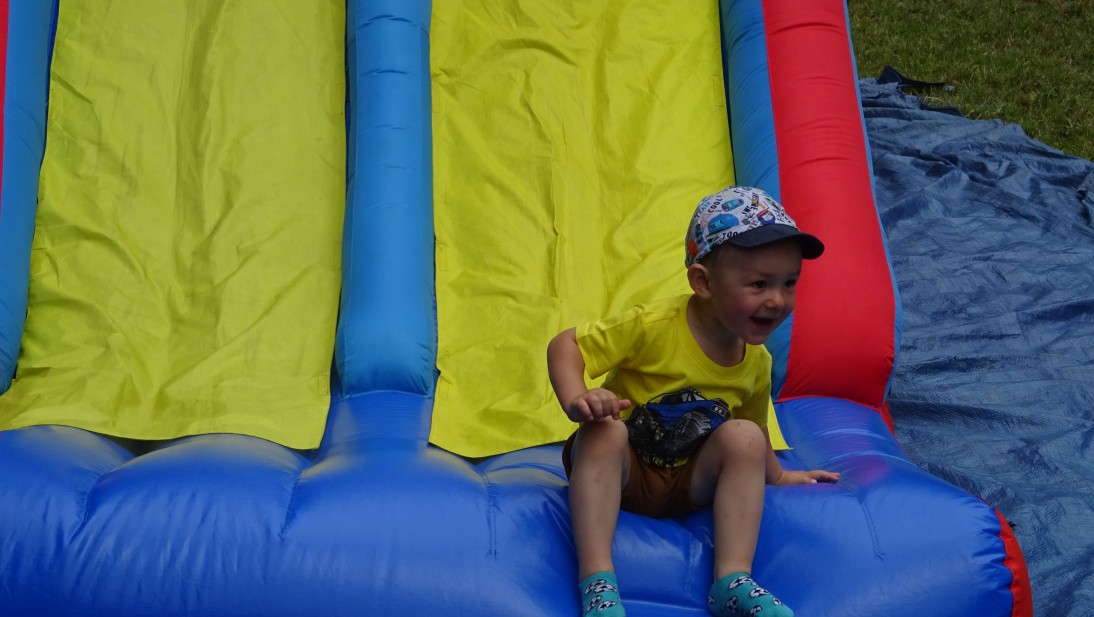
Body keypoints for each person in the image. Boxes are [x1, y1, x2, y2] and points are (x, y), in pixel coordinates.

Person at [547, 186, 841, 617]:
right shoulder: (654, 326)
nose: (777, 300)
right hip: (624, 472)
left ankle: (731, 581)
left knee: (742, 434)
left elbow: (755, 432)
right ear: (703, 282)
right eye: (759, 284)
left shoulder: (757, 361)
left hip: (689, 483)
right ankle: (598, 582)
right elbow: (567, 344)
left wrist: (778, 477)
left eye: (789, 283)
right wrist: (578, 399)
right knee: (605, 431)